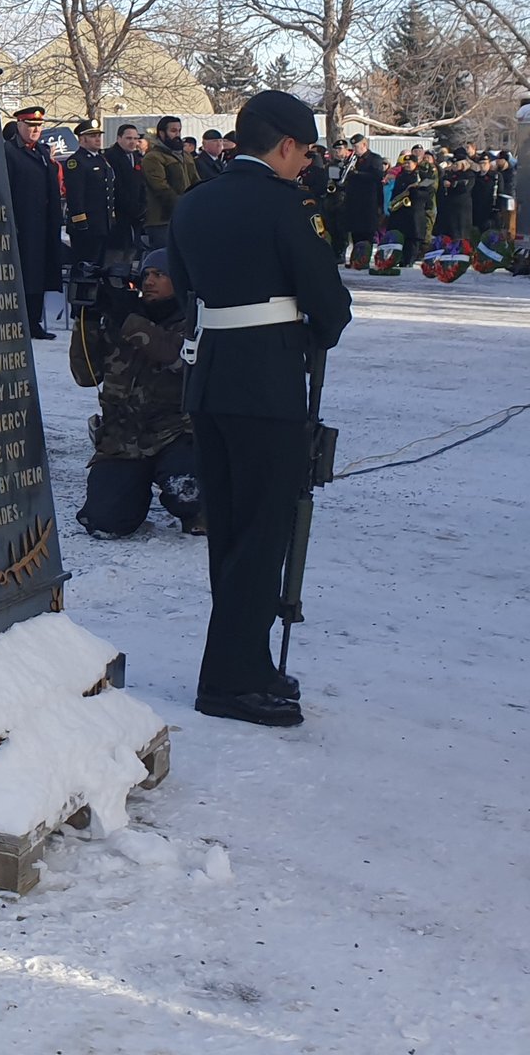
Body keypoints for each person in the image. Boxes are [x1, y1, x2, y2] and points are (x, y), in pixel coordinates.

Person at [166, 89, 352, 728]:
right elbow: (329, 303)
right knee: (262, 532)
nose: (305, 165)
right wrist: (310, 336)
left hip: (212, 377)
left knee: (233, 532)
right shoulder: (288, 205)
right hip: (266, 383)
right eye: (304, 152)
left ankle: (244, 661)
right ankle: (231, 678)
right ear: (287, 146)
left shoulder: (195, 201)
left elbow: (186, 286)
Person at [72, 250, 202, 539]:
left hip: (176, 434)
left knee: (187, 490)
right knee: (103, 521)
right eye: (145, 275)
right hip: (124, 439)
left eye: (159, 275)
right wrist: (88, 320)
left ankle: (198, 509)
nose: (149, 282)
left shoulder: (194, 321)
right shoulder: (125, 319)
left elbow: (172, 353)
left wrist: (127, 317)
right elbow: (86, 377)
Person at [3, 105, 64, 340]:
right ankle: (21, 322)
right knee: (26, 275)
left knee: (40, 275)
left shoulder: (42, 151)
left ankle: (34, 322)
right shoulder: (9, 151)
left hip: (45, 224)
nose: (35, 130)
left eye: (38, 126)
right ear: (19, 125)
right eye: (30, 126)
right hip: (24, 223)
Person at [62, 120, 114, 272]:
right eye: (93, 136)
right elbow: (75, 195)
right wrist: (80, 221)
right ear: (82, 139)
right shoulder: (77, 161)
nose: (98, 139)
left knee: (99, 267)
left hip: (102, 223)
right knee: (85, 268)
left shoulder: (100, 159)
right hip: (87, 225)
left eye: (98, 135)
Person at [141, 116, 198, 246]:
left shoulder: (186, 156)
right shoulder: (153, 157)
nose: (177, 135)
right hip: (161, 220)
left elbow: (195, 181)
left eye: (179, 131)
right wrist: (182, 206)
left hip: (185, 218)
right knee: (164, 259)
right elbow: (161, 187)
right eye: (173, 131)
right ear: (162, 133)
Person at [104, 124, 147, 263]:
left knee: (130, 254)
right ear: (119, 138)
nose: (133, 142)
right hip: (119, 214)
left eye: (136, 138)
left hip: (135, 215)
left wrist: (142, 206)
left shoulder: (135, 157)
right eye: (128, 138)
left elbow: (141, 183)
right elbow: (116, 187)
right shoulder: (110, 157)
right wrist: (132, 207)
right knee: (115, 256)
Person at [341, 135, 386, 268]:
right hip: (354, 202)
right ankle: (355, 259)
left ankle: (364, 259)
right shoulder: (354, 160)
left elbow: (377, 176)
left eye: (356, 146)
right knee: (355, 232)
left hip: (368, 202)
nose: (354, 149)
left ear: (364, 145)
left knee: (366, 232)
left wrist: (357, 174)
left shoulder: (375, 159)